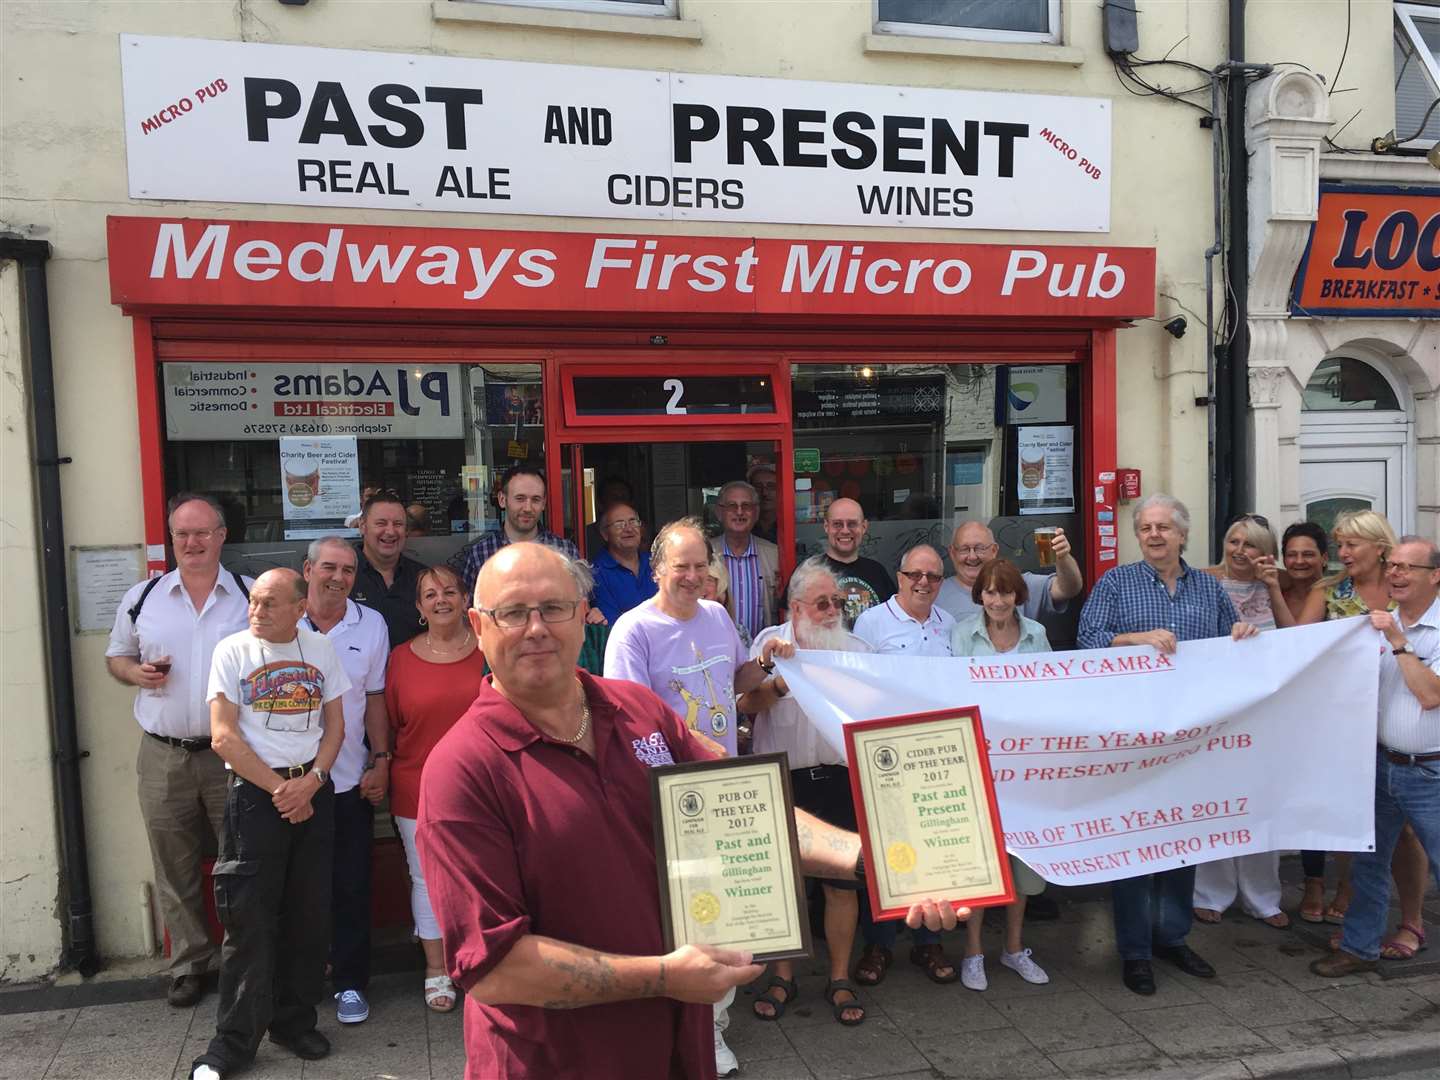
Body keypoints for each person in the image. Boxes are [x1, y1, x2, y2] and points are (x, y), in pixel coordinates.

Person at [414, 543, 961, 1080]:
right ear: (478, 626)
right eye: (512, 612)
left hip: (679, 1044)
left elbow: (749, 812)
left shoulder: (637, 710)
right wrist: (664, 977)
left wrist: (877, 861)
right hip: (553, 1060)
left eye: (553, 608)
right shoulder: (461, 769)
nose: (536, 628)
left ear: (582, 615)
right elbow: (494, 967)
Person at [605, 517, 788, 1074]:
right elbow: (630, 723)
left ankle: (714, 1029)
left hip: (725, 786)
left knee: (722, 916)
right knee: (676, 916)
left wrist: (765, 662)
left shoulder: (715, 616)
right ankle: (673, 1020)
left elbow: (732, 683)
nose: (691, 576)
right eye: (679, 566)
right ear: (657, 569)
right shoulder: (631, 631)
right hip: (671, 796)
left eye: (699, 566)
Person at [1078, 493, 1258, 996]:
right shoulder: (1116, 582)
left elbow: (1230, 646)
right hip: (1133, 738)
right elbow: (1086, 639)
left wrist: (1242, 632)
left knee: (1182, 842)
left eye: (1163, 527)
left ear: (1183, 534)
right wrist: (1132, 639)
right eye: (1145, 528)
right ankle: (1134, 951)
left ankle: (1172, 937)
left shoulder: (1210, 588)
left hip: (1191, 741)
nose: (1154, 535)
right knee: (1135, 843)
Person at [189, 570, 349, 1080]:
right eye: (254, 602)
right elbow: (223, 737)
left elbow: (336, 724)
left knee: (308, 917)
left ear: (300, 608)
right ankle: (233, 1042)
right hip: (257, 799)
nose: (256, 612)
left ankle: (294, 1021)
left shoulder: (320, 650)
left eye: (270, 604)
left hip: (312, 794)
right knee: (249, 923)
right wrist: (282, 791)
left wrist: (314, 781)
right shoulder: (232, 651)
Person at [105, 493, 253, 1009]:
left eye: (202, 532)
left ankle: (244, 964)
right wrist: (134, 673)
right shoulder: (142, 597)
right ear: (171, 540)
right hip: (163, 754)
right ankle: (190, 965)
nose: (191, 543)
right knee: (175, 866)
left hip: (231, 754)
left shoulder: (248, 596)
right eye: (181, 534)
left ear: (221, 536)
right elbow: (116, 657)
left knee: (239, 864)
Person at [738, 558, 873, 1027]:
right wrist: (776, 682)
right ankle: (782, 977)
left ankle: (839, 978)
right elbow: (745, 704)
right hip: (783, 778)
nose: (833, 609)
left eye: (838, 601)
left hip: (838, 779)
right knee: (785, 886)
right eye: (822, 603)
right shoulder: (768, 644)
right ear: (795, 607)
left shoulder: (857, 649)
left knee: (842, 885)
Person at [1311, 536, 1440, 978]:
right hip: (1382, 764)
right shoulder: (1379, 623)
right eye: (1393, 566)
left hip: (1430, 771)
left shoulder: (1410, 629)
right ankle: (1359, 946)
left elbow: (1429, 695)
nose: (1396, 574)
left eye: (1408, 567)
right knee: (1367, 863)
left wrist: (1396, 639)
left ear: (1435, 576)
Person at [851, 544, 958, 985]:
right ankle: (879, 943)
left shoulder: (949, 623)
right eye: (915, 574)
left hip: (936, 757)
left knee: (931, 851)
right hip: (887, 758)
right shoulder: (871, 622)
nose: (924, 583)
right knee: (885, 854)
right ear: (899, 577)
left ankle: (927, 944)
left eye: (933, 577)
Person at [384, 564, 487, 1013]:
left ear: (466, 600)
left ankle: (483, 962)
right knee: (427, 879)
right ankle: (436, 968)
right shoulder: (400, 659)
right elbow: (388, 722)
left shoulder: (488, 650)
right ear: (420, 608)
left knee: (485, 875)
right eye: (430, 594)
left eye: (449, 591)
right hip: (416, 783)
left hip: (483, 784)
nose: (441, 599)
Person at [948, 558, 1053, 991]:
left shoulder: (1037, 635)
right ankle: (973, 953)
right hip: (978, 762)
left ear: (1017, 596)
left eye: (1005, 592)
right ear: (980, 596)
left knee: (1022, 865)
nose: (997, 600)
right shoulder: (961, 634)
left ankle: (1013, 949)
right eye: (989, 591)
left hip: (1024, 768)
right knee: (980, 863)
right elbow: (953, 694)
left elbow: (1051, 693)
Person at [1296, 510, 1403, 927]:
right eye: (1339, 545)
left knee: (1406, 828)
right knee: (1351, 806)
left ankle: (1411, 916)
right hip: (1344, 719)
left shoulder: (1405, 587)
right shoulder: (1329, 589)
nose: (1343, 553)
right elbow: (1299, 646)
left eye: (1351, 544)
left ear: (1380, 546)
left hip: (1402, 715)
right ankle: (1347, 885)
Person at [300, 537, 391, 1025]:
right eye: (329, 568)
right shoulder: (278, 623)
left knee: (352, 886)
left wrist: (381, 760)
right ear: (308, 569)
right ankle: (301, 979)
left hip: (349, 781)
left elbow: (374, 698)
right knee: (298, 888)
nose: (338, 577)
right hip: (290, 785)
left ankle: (351, 983)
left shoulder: (370, 624)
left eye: (348, 570)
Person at [1190, 517, 1291, 930]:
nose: (1239, 550)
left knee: (1260, 803)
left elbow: (1296, 639)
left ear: (1265, 551)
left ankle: (1263, 897)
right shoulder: (1203, 580)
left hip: (1263, 713)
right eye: (1233, 541)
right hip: (1214, 711)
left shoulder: (1277, 585)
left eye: (1250, 544)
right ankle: (1211, 893)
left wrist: (1273, 587)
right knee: (1213, 803)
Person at [449, 464, 580, 601]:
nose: (528, 508)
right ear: (502, 500)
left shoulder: (565, 551)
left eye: (535, 499)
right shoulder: (480, 554)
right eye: (520, 499)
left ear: (543, 503)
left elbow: (580, 605)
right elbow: (467, 611)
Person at [937, 520, 1083, 623]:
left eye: (980, 548)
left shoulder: (1020, 584)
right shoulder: (934, 593)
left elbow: (1068, 588)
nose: (972, 556)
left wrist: (1063, 557)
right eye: (964, 549)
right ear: (952, 553)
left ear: (994, 550)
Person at [352, 490, 427, 648]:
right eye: (381, 523)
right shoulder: (343, 576)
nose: (390, 531)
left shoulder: (424, 579)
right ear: (362, 526)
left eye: (398, 524)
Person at [709, 480, 781, 641]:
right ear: (719, 512)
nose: (739, 512)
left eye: (746, 506)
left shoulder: (774, 555)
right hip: (716, 652)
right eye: (732, 506)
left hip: (763, 656)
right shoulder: (705, 554)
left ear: (756, 513)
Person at [819, 497, 895, 628]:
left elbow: (893, 622)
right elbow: (794, 626)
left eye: (852, 524)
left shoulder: (878, 572)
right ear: (826, 527)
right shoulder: (808, 572)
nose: (845, 530)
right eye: (837, 524)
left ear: (864, 526)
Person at [590, 501, 656, 625]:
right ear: (605, 534)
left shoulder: (657, 563)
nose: (629, 529)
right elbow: (614, 623)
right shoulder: (596, 572)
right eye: (619, 524)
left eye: (633, 522)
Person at [1279, 521, 1329, 624]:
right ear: (1284, 560)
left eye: (1308, 554)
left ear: (1324, 559)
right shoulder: (1271, 596)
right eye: (1292, 555)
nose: (1299, 561)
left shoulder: (1338, 597)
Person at [703, 553, 752, 651]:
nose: (699, 586)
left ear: (720, 591)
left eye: (708, 580)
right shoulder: (676, 631)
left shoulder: (740, 633)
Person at [749, 463, 779, 542]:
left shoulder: (792, 524)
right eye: (758, 486)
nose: (764, 493)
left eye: (771, 486)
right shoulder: (743, 524)